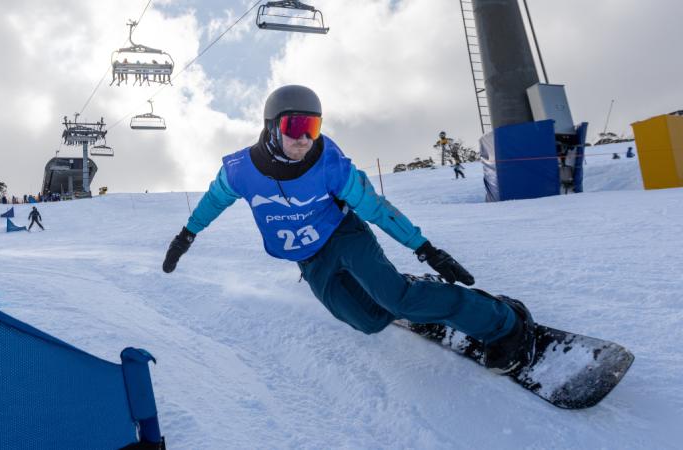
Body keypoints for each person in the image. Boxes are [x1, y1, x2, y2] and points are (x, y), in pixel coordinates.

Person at [162, 85, 536, 375]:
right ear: (272, 128)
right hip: (309, 258)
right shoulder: (240, 170)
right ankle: (401, 289)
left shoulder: (330, 165)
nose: (304, 139)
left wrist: (425, 247)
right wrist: (186, 236)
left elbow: (375, 208)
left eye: (312, 127)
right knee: (369, 320)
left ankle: (503, 322)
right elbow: (213, 200)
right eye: (295, 127)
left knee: (400, 301)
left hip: (343, 234)